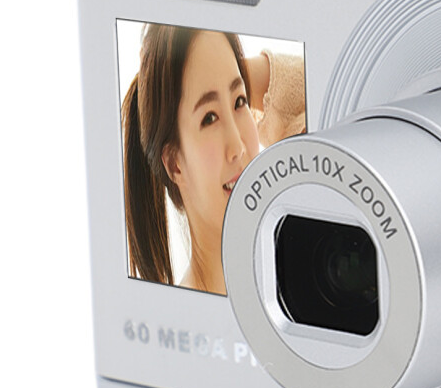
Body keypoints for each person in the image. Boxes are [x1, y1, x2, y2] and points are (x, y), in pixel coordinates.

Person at [122, 24, 305, 294]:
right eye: (209, 118)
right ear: (174, 164)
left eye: (240, 102)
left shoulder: (290, 279)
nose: (238, 147)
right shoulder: (182, 313)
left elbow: (337, 97)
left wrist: (229, 71)